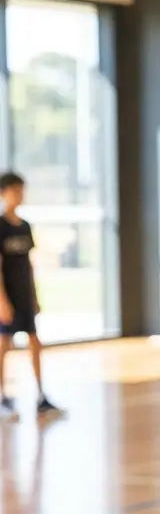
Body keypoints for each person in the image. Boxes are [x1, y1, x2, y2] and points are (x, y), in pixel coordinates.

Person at [0, 172, 61, 421]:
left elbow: (28, 265)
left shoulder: (24, 226)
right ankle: (3, 396)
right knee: (4, 346)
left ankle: (40, 395)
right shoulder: (1, 226)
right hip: (7, 298)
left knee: (35, 342)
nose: (19, 195)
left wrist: (34, 296)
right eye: (14, 190)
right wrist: (2, 301)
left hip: (25, 296)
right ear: (4, 193)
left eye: (21, 190)